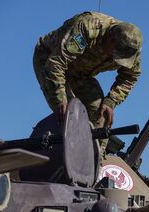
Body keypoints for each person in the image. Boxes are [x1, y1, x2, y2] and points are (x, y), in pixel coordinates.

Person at [33, 11, 142, 151]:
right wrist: (61, 99)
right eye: (116, 54)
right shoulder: (88, 27)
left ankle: (97, 163)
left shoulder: (131, 49)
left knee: (101, 113)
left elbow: (130, 76)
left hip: (81, 74)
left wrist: (111, 101)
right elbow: (56, 63)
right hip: (49, 59)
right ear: (110, 38)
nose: (116, 59)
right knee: (70, 115)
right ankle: (63, 159)